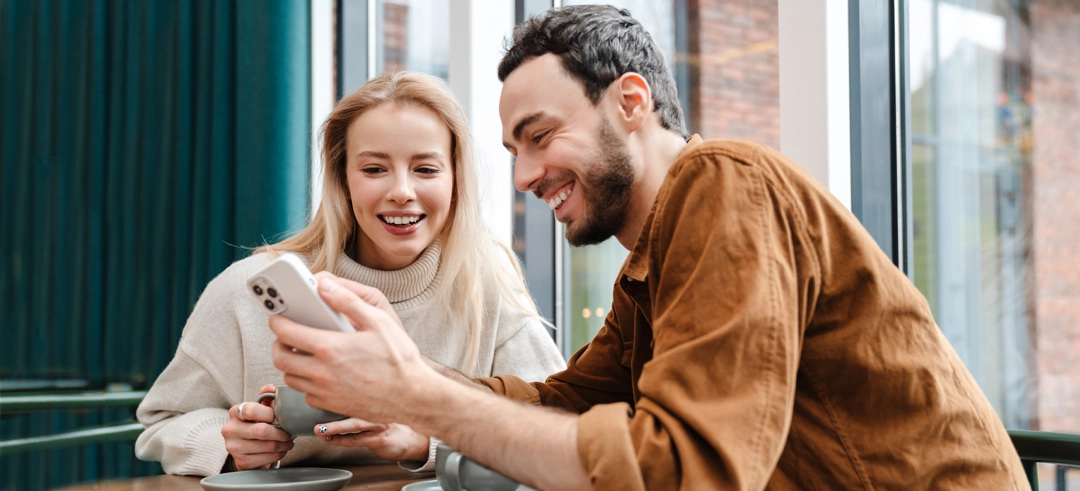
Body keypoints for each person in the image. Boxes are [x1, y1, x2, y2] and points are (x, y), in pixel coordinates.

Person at [268, 5, 1028, 490]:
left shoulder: (727, 181)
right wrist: (401, 370)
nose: (527, 175)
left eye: (539, 137)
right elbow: (562, 400)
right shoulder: (653, 264)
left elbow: (686, 473)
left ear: (631, 102)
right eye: (513, 152)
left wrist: (417, 395)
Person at [134, 71, 565, 477]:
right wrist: (227, 448)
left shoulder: (486, 284)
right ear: (343, 179)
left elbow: (552, 429)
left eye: (426, 169)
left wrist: (424, 441)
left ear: (456, 180)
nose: (401, 191)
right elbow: (162, 421)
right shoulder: (245, 291)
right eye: (374, 169)